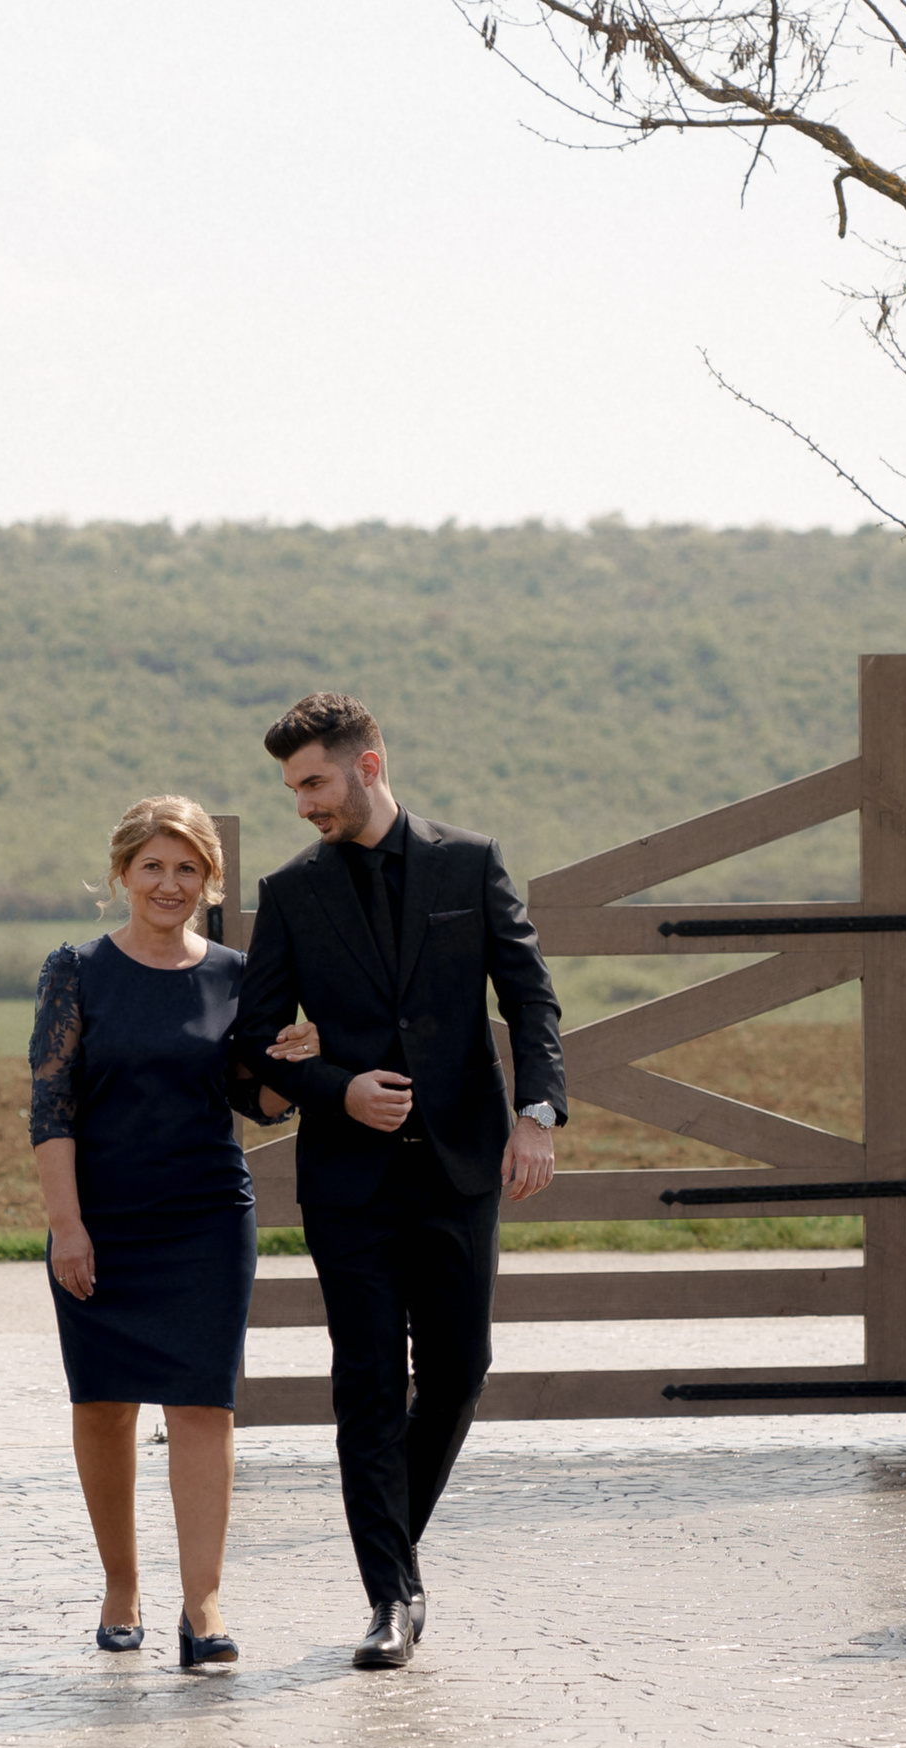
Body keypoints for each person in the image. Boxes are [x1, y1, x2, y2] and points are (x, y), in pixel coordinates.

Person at [229, 690, 565, 1672]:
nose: (303, 804)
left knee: (460, 1371)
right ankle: (390, 1595)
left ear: (368, 762)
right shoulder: (292, 895)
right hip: (350, 1185)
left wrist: (536, 1114)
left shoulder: (470, 862)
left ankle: (392, 1550)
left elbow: (529, 993)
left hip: (460, 1167)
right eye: (292, 788)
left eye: (314, 782)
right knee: (369, 1386)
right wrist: (337, 1089)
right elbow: (254, 1041)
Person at [29, 796, 309, 1672]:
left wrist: (293, 1070)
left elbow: (254, 1103)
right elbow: (50, 1108)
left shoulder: (234, 972)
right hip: (101, 1220)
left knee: (203, 1404)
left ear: (208, 880)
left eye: (187, 868)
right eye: (153, 865)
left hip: (206, 1220)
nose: (169, 883)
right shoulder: (76, 971)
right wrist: (67, 1228)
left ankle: (204, 1605)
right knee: (104, 1405)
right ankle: (121, 1587)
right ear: (122, 873)